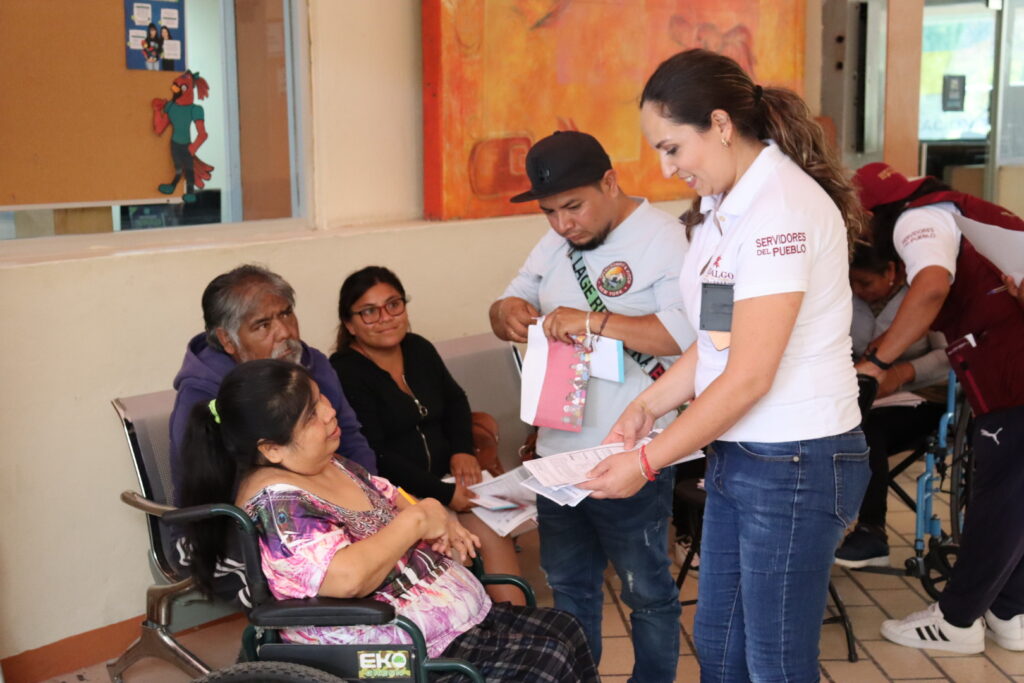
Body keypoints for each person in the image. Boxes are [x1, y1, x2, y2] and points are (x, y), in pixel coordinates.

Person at [580, 49, 870, 681]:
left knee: (774, 664)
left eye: (672, 148)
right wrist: (646, 406)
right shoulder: (723, 208)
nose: (666, 167)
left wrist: (647, 462)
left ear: (719, 124)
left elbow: (749, 376)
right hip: (741, 453)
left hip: (795, 459)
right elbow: (719, 343)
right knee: (719, 647)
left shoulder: (779, 211)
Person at [178, 359, 599, 682]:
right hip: (395, 655)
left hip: (450, 627)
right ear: (271, 448)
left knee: (565, 629)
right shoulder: (280, 507)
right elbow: (346, 578)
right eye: (310, 415)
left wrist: (436, 515)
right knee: (546, 662)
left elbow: (392, 496)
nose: (329, 413)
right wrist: (417, 521)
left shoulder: (331, 464)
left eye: (320, 398)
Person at [490, 129, 695, 682]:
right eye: (549, 212)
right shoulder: (556, 243)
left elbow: (682, 335)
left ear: (610, 181)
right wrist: (506, 313)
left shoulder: (664, 238)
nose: (563, 224)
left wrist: (591, 321)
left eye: (573, 207)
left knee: (646, 592)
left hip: (633, 451)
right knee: (569, 588)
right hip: (558, 453)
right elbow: (511, 300)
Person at [850, 162, 1024, 654]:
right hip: (1010, 369)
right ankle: (1010, 612)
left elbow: (930, 287)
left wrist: (876, 364)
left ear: (870, 216)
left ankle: (956, 621)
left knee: (998, 502)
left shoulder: (918, 218)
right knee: (1016, 499)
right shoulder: (958, 211)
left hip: (1012, 376)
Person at [329, 266, 525, 605]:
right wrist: (444, 494)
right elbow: (376, 453)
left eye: (394, 305)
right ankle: (471, 617)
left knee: (493, 528)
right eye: (369, 311)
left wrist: (463, 450)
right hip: (401, 496)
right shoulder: (345, 370)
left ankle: (517, 620)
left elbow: (455, 400)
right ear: (350, 324)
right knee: (454, 551)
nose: (386, 318)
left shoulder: (417, 348)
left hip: (450, 479)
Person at [169, 264, 377, 505]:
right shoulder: (204, 393)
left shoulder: (313, 363)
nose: (284, 333)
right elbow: (226, 495)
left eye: (286, 313)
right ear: (227, 340)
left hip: (337, 502)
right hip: (258, 518)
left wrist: (374, 500)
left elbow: (350, 439)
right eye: (263, 325)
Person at [835, 241, 950, 568]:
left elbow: (949, 356)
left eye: (865, 283)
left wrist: (901, 373)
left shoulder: (922, 294)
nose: (858, 290)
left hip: (923, 397)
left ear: (892, 271)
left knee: (868, 433)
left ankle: (872, 531)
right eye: (852, 282)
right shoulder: (848, 298)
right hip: (862, 395)